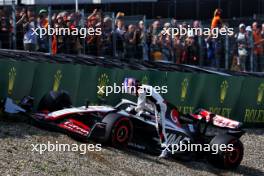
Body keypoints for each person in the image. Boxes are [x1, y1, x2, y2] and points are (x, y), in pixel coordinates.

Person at [123, 77, 168, 158]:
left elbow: (140, 106)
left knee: (160, 128)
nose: (130, 91)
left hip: (159, 106)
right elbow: (142, 104)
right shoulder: (142, 88)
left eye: (129, 88)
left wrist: (131, 112)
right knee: (137, 109)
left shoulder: (141, 90)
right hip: (153, 105)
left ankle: (165, 150)